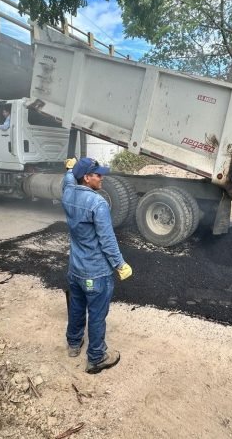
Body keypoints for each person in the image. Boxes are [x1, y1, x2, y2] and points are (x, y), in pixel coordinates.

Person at [62, 157, 133, 374]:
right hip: (95, 271)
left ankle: (74, 344)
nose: (102, 178)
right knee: (96, 314)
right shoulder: (98, 203)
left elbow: (67, 180)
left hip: (75, 268)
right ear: (86, 178)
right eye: (97, 174)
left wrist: (69, 169)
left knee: (76, 306)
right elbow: (107, 240)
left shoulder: (67, 193)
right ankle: (96, 357)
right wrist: (120, 264)